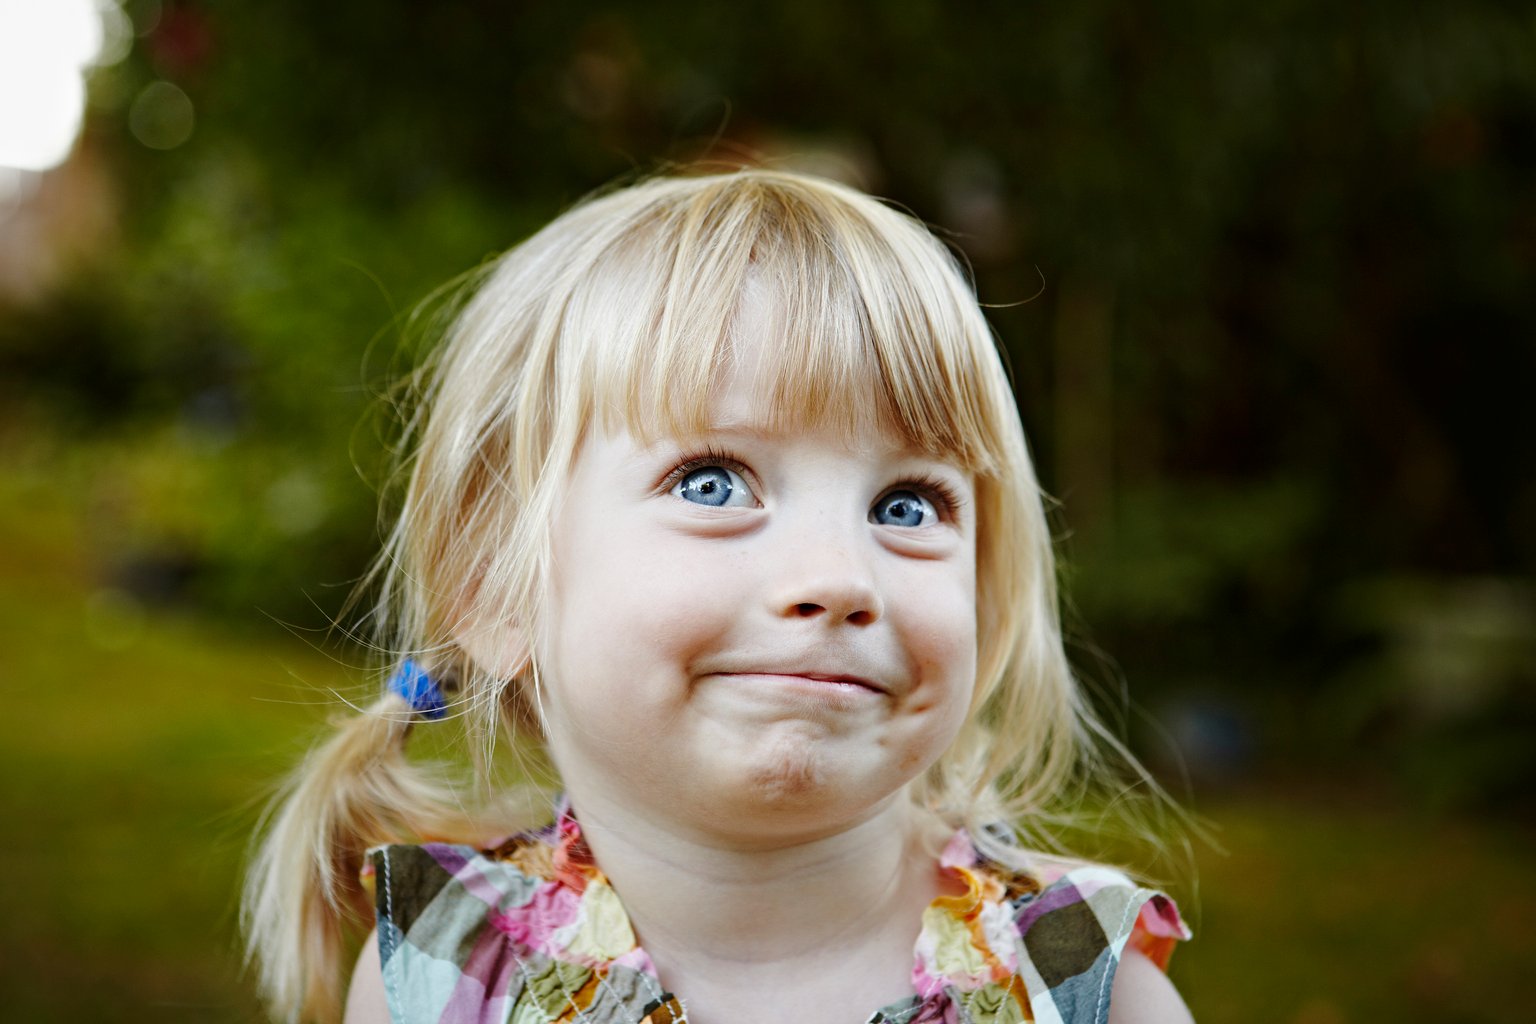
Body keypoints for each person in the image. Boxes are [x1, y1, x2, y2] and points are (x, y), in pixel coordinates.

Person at [244, 168, 1194, 1024]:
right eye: (713, 483)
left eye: (907, 504)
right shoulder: (448, 979)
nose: (837, 577)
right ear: (496, 587)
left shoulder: (1080, 981)